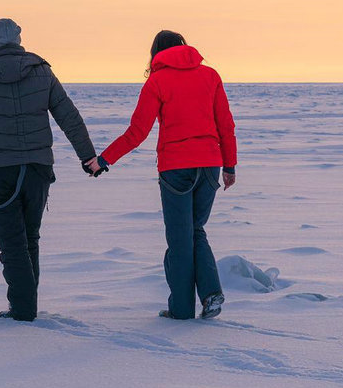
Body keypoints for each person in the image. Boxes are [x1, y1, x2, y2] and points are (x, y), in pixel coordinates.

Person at [84, 30, 237, 320]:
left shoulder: (157, 81)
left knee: (180, 239)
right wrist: (229, 166)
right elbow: (225, 125)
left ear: (156, 52)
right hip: (210, 165)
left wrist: (103, 160)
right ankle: (210, 293)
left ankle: (181, 310)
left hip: (176, 168)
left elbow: (137, 132)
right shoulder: (210, 75)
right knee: (195, 229)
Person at [0, 18, 100, 322]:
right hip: (37, 169)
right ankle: (26, 304)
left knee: (12, 244)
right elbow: (69, 117)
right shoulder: (41, 70)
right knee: (29, 238)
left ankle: (23, 310)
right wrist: (87, 156)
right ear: (19, 39)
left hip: (0, 171)